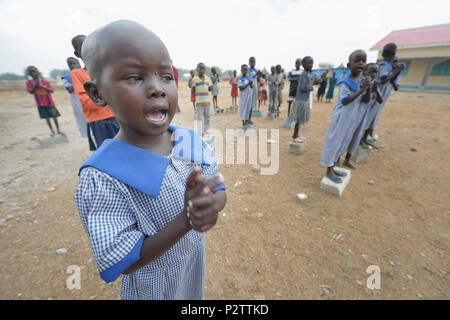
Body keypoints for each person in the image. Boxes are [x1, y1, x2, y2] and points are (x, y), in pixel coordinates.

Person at [74, 20, 227, 300]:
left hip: (192, 268)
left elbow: (218, 193)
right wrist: (185, 220)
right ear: (97, 93)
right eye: (134, 77)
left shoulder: (190, 142)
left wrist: (209, 205)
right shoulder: (105, 176)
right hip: (152, 288)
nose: (158, 88)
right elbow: (124, 261)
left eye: (166, 76)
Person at [319, 50, 371, 182]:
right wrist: (362, 90)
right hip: (341, 118)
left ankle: (334, 166)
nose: (360, 63)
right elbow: (345, 101)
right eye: (357, 61)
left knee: (343, 142)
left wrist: (368, 88)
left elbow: (366, 100)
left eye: (363, 61)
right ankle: (329, 170)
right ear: (349, 65)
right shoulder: (345, 82)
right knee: (334, 142)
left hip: (352, 119)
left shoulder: (362, 81)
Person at [71, 34, 120, 151]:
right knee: (106, 155)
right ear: (77, 54)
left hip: (117, 117)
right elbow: (87, 102)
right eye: (82, 47)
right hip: (99, 122)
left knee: (127, 150)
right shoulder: (77, 74)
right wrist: (111, 96)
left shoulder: (106, 70)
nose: (88, 48)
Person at [361, 43, 403, 145]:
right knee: (367, 116)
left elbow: (394, 85)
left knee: (373, 117)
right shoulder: (384, 66)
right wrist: (396, 71)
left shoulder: (389, 68)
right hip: (374, 96)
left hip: (380, 98)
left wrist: (395, 73)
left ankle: (364, 138)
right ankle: (359, 138)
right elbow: (384, 81)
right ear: (393, 54)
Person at [346, 63, 383, 155]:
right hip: (355, 113)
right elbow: (365, 100)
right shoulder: (360, 83)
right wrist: (369, 89)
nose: (374, 74)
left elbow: (380, 100)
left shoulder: (374, 84)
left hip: (365, 114)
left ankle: (348, 158)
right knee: (347, 135)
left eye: (376, 72)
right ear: (364, 72)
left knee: (357, 136)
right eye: (371, 72)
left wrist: (376, 89)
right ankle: (338, 158)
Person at [287, 56, 318, 142]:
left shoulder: (306, 74)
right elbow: (303, 88)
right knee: (298, 119)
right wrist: (313, 84)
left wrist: (313, 82)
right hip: (301, 101)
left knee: (299, 119)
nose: (311, 65)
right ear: (303, 64)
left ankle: (296, 134)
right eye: (309, 63)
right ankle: (295, 135)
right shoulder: (304, 74)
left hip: (304, 100)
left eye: (312, 63)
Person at [25, 66, 62, 136]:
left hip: (49, 103)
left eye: (34, 71)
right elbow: (31, 92)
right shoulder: (29, 82)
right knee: (47, 118)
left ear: (38, 72)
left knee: (54, 117)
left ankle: (58, 130)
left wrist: (43, 87)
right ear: (29, 74)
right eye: (31, 72)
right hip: (40, 104)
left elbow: (52, 90)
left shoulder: (45, 81)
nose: (33, 73)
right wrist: (36, 85)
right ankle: (52, 131)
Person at [61, 57, 88, 138]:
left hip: (88, 98)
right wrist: (76, 79)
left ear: (79, 64)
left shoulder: (86, 73)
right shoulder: (67, 78)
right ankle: (87, 135)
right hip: (77, 101)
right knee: (82, 118)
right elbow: (69, 90)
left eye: (74, 63)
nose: (72, 66)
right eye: (70, 65)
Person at [192, 63, 213, 136]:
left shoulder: (208, 78)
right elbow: (193, 91)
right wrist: (193, 87)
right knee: (199, 118)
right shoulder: (194, 79)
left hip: (207, 101)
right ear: (197, 69)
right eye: (200, 68)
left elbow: (210, 88)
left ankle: (207, 131)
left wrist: (211, 87)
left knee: (207, 117)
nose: (202, 70)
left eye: (203, 68)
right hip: (199, 103)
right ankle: (200, 133)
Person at [238, 64, 254, 130]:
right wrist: (248, 83)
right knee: (243, 109)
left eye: (246, 69)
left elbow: (252, 86)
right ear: (241, 70)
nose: (245, 71)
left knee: (249, 108)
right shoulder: (240, 79)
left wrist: (251, 83)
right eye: (244, 69)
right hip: (243, 97)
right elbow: (241, 88)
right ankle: (243, 122)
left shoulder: (249, 77)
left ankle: (247, 121)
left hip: (249, 95)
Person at [247, 57, 258, 127]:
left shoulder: (255, 69)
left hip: (254, 88)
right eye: (252, 62)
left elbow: (256, 79)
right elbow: (249, 78)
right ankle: (247, 120)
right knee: (248, 104)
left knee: (252, 104)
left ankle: (249, 119)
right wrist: (256, 74)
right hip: (249, 89)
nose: (253, 63)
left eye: (254, 62)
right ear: (249, 62)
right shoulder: (248, 70)